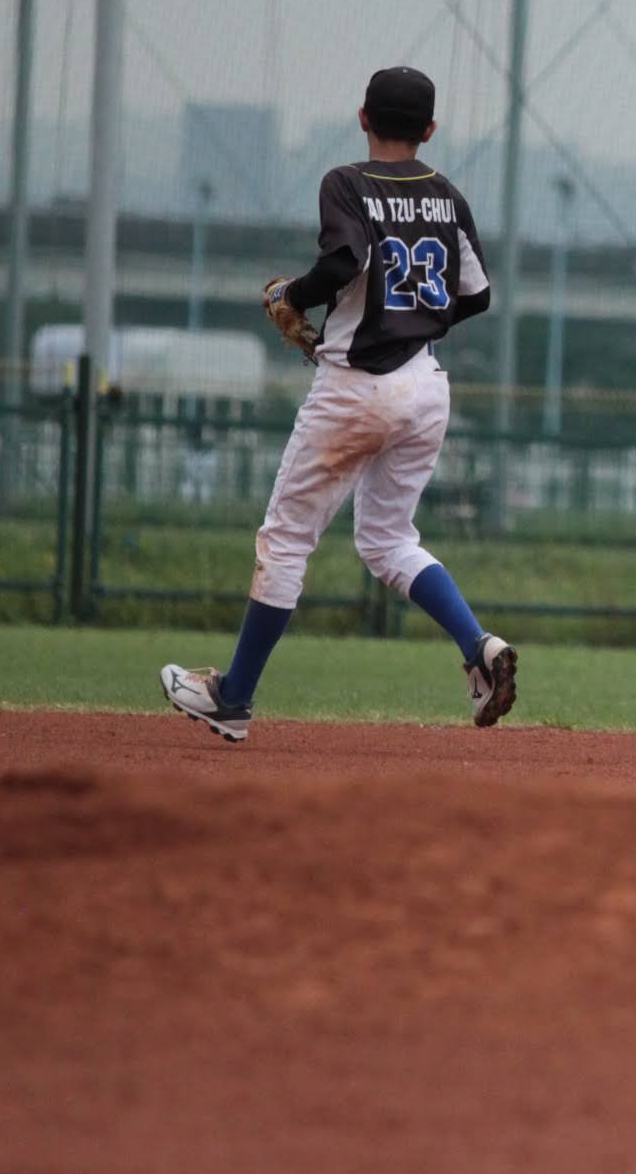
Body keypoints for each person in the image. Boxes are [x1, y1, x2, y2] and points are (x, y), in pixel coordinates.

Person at [158, 66, 516, 742]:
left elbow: (345, 259)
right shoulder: (446, 194)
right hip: (424, 386)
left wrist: (292, 295)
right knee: (388, 539)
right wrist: (415, 322)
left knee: (287, 539)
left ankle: (233, 698)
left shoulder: (347, 183)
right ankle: (478, 647)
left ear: (362, 118)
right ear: (430, 129)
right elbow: (476, 294)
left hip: (355, 386)